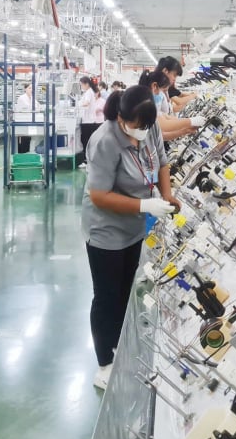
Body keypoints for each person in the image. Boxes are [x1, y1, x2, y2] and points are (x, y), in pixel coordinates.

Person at [83, 86, 179, 389]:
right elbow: (99, 195)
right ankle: (104, 363)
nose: (142, 133)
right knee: (106, 296)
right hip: (106, 230)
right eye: (137, 128)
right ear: (122, 119)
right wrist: (143, 204)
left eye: (146, 128)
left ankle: (122, 347)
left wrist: (166, 196)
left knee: (127, 290)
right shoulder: (104, 142)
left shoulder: (147, 129)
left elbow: (162, 163)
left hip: (134, 227)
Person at [138, 69, 204, 140]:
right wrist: (191, 121)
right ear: (154, 86)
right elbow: (163, 125)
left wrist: (185, 130)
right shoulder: (143, 105)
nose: (163, 95)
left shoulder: (152, 106)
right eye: (163, 90)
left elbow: (161, 135)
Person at [77, 76, 99, 167]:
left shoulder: (88, 92)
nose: (81, 86)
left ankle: (86, 161)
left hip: (88, 121)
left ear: (86, 84)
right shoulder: (89, 92)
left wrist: (78, 106)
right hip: (89, 120)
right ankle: (89, 160)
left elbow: (87, 103)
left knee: (86, 141)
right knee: (87, 141)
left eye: (81, 84)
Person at [14, 83, 38, 153]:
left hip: (30, 121)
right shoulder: (22, 98)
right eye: (29, 88)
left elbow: (37, 106)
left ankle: (27, 154)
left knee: (28, 139)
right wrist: (33, 108)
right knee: (23, 141)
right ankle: (22, 155)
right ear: (25, 89)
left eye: (32, 88)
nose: (31, 90)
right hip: (22, 122)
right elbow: (29, 108)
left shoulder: (32, 98)